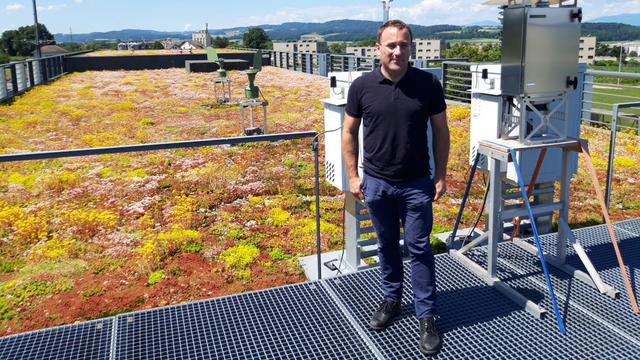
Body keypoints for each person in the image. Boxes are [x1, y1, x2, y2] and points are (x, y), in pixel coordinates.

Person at [342, 19, 450, 356]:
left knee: (418, 249)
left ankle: (427, 316)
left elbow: (442, 131)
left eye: (404, 45)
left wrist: (441, 174)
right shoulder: (362, 86)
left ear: (411, 48)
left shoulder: (428, 84)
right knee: (387, 245)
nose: (397, 51)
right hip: (376, 183)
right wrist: (353, 176)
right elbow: (349, 132)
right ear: (378, 49)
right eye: (391, 45)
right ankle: (391, 300)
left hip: (417, 184)